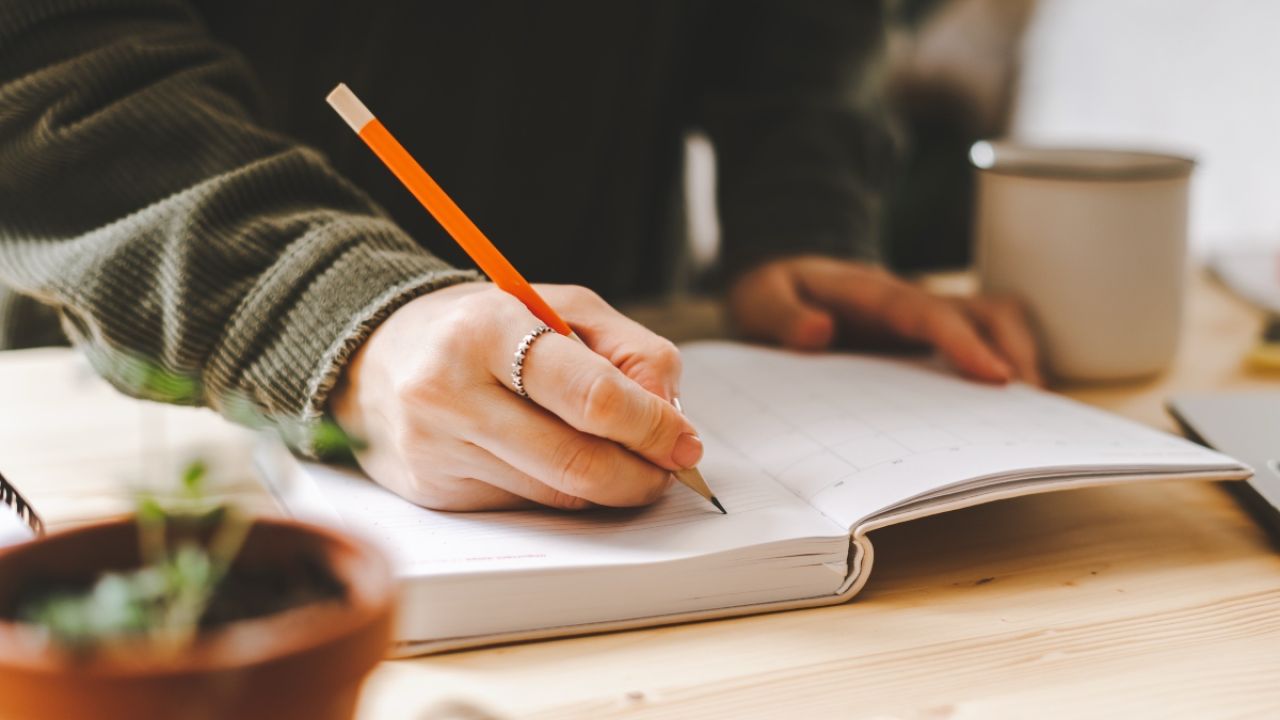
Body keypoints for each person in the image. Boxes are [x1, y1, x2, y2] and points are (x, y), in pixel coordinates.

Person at [0, 1, 1040, 512]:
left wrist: (800, 209)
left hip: (616, 290)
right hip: (105, 382)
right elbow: (42, 47)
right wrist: (329, 309)